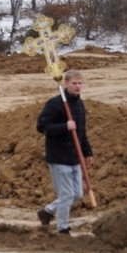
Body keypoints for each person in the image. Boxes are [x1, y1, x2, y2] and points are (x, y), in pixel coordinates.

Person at [36, 69, 94, 235]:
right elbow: (42, 126)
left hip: (75, 156)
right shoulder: (55, 104)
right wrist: (64, 127)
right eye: (74, 83)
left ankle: (47, 211)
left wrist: (87, 152)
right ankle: (62, 228)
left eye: (80, 83)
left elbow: (81, 132)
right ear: (66, 84)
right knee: (67, 195)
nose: (78, 86)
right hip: (59, 156)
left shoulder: (79, 105)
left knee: (77, 194)